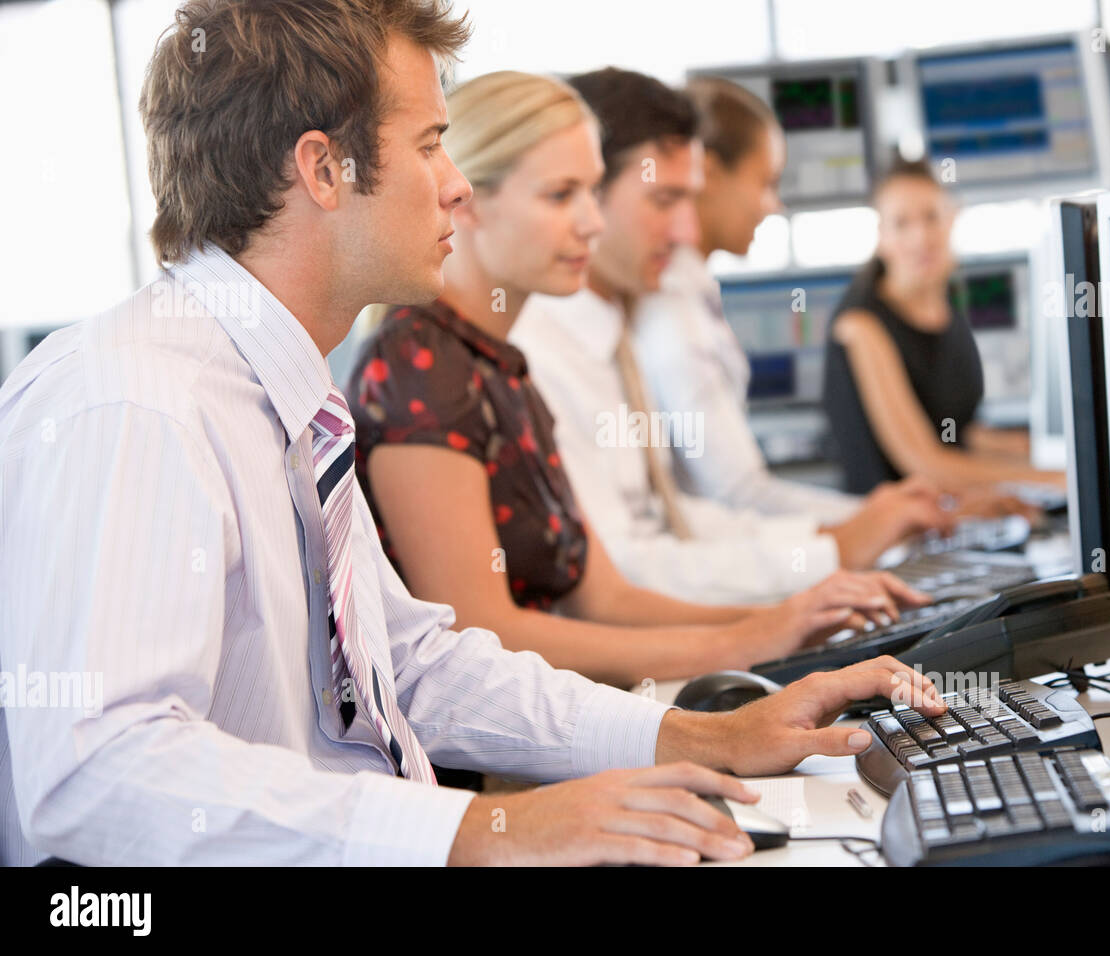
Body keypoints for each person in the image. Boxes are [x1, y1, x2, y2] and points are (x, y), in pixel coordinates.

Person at [0, 0, 945, 868]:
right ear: (323, 169)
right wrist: (484, 831)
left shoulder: (281, 392)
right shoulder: (135, 401)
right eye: (431, 145)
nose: (456, 187)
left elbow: (410, 667)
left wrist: (703, 736)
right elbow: (95, 768)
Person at [346, 71, 930, 687]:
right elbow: (481, 637)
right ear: (469, 199)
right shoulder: (424, 366)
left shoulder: (502, 366)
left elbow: (606, 598)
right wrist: (749, 639)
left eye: (594, 193)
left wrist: (786, 622)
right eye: (560, 195)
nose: (592, 224)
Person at [511, 68, 954, 607]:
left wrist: (836, 542)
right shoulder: (543, 354)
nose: (686, 231)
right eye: (664, 200)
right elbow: (624, 573)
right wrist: (833, 549)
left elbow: (674, 518)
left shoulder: (615, 330)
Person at [634, 76, 862, 525]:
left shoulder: (690, 292)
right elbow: (736, 493)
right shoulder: (670, 307)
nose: (773, 205)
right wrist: (879, 519)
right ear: (711, 173)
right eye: (765, 182)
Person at [823, 159, 1066, 495]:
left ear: (952, 218)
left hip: (954, 515)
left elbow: (957, 432)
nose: (921, 236)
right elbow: (926, 464)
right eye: (902, 223)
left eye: (931, 217)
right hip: (899, 533)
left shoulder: (944, 309)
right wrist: (1057, 480)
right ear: (882, 238)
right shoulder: (860, 325)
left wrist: (1032, 450)